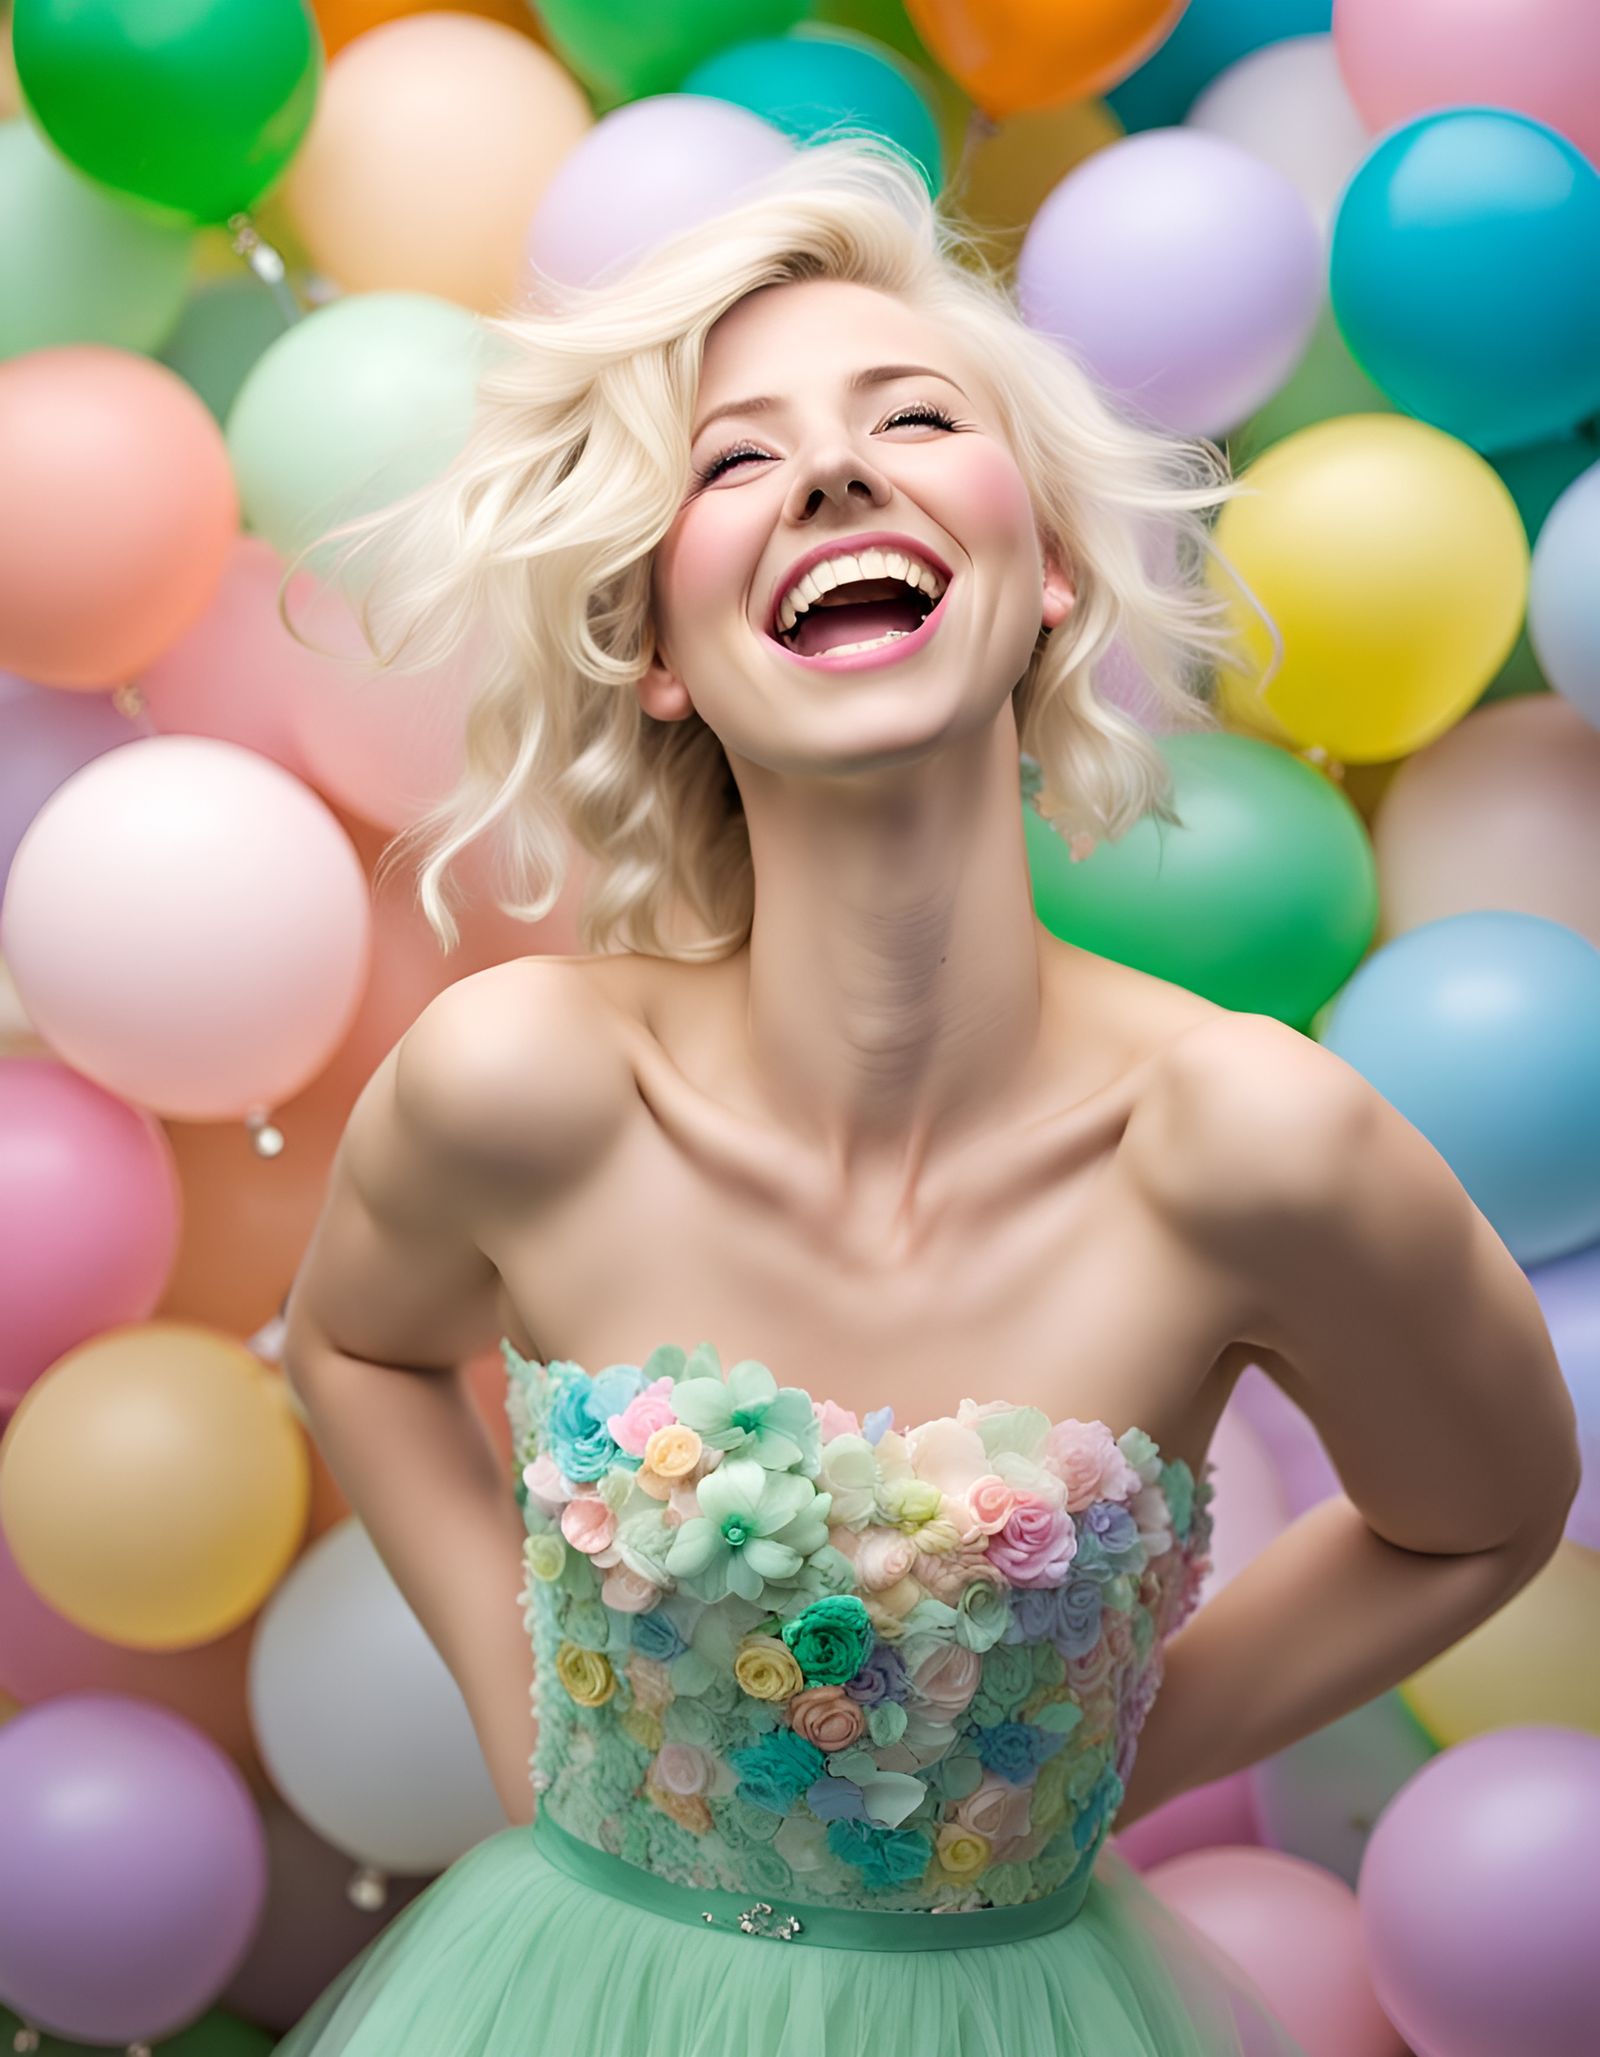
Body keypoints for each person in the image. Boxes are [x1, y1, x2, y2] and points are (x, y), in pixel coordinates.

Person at [276, 139, 1580, 2056]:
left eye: (913, 414)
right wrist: (526, 1712)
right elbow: (354, 1345)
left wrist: (1103, 1758)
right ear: (655, 652)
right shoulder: (518, 1084)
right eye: (736, 458)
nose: (832, 468)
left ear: (1049, 571)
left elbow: (1488, 1505)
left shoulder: (1258, 1146)